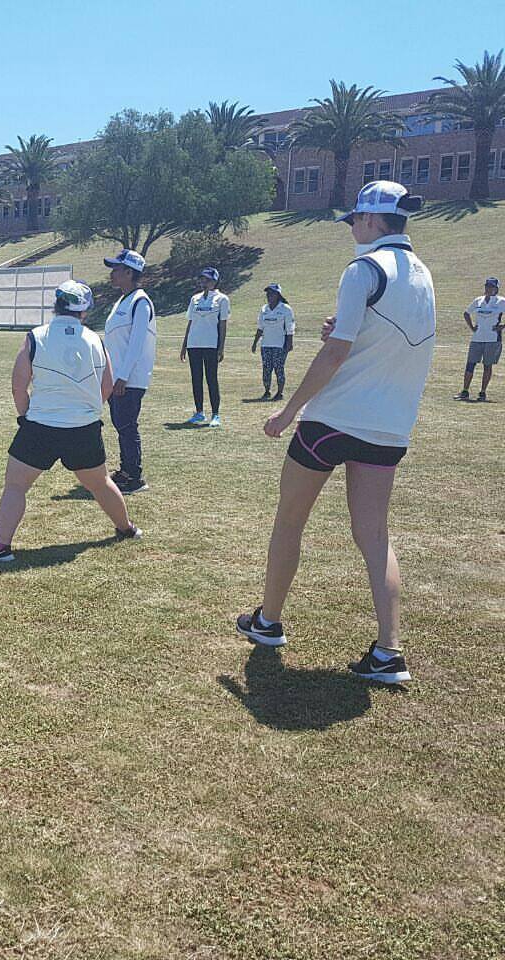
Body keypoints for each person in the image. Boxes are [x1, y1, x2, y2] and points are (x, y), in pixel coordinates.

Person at [236, 181, 433, 684]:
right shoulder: (423, 275)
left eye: (354, 220)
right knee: (375, 536)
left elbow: (335, 352)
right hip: (389, 426)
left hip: (333, 419)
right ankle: (389, 651)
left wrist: (289, 411)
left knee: (289, 520)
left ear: (370, 219)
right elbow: (389, 340)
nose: (351, 229)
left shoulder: (363, 268)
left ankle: (269, 621)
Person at [0, 280, 142, 563]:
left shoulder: (35, 337)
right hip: (84, 429)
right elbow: (107, 386)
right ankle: (127, 529)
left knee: (15, 486)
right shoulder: (95, 340)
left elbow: (18, 386)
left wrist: (24, 416)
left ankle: (0, 547)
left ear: (56, 304)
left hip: (40, 427)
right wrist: (86, 411)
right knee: (100, 483)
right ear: (84, 310)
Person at [102, 248, 157, 495]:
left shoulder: (140, 302)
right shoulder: (122, 301)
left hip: (129, 378)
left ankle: (134, 477)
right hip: (117, 377)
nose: (112, 274)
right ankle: (126, 470)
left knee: (126, 425)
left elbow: (136, 343)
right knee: (121, 424)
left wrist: (123, 376)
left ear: (129, 272)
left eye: (116, 269)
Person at [181, 266, 230, 426]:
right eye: (202, 279)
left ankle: (215, 414)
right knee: (196, 379)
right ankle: (199, 412)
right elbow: (190, 322)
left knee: (211, 379)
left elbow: (223, 324)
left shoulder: (222, 299)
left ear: (214, 281)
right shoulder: (195, 299)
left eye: (207, 280)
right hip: (194, 344)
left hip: (211, 345)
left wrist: (221, 347)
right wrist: (184, 345)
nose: (204, 282)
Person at [454, 277, 504, 402]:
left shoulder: (501, 301)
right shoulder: (478, 300)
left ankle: (482, 392)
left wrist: (502, 326)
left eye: (491, 287)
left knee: (487, 365)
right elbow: (466, 313)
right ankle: (465, 391)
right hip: (477, 338)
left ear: (496, 289)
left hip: (493, 339)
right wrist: (472, 327)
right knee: (470, 364)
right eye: (487, 286)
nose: (488, 289)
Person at [251, 283, 295, 401]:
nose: (269, 295)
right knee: (266, 369)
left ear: (278, 295)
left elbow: (290, 328)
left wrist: (289, 343)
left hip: (280, 345)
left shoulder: (285, 309)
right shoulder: (264, 309)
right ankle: (267, 391)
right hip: (266, 344)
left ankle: (280, 392)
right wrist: (255, 343)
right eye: (268, 293)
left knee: (278, 368)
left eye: (272, 293)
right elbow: (260, 327)